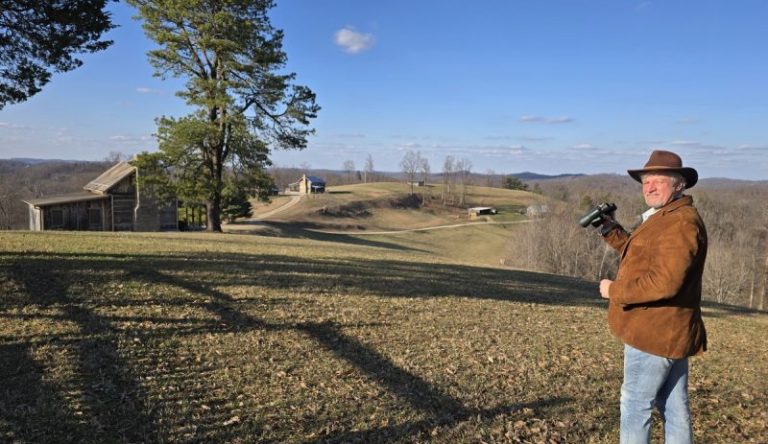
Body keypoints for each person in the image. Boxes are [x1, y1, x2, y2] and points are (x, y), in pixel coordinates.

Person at [597, 150, 707, 444]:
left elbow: (664, 282)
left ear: (679, 184)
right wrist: (609, 228)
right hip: (668, 332)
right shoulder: (666, 217)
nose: (650, 187)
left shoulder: (681, 223)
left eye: (659, 181)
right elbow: (642, 255)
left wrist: (614, 290)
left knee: (635, 404)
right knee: (673, 406)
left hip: (654, 333)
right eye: (646, 182)